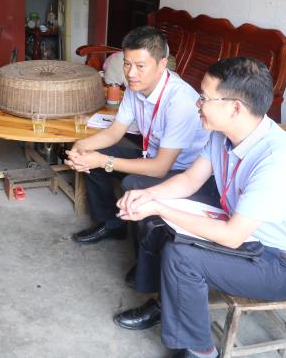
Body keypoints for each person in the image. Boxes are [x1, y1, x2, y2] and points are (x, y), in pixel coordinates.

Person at [115, 57, 286, 358]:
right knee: (152, 213)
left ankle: (201, 351)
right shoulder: (222, 134)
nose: (197, 104)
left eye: (204, 98)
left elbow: (231, 236)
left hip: (278, 263)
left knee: (181, 256)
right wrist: (147, 196)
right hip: (247, 236)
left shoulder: (276, 159)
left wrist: (160, 207)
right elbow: (190, 180)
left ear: (234, 108)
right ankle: (164, 304)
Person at [66, 26, 214, 247]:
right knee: (92, 153)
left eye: (140, 66)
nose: (131, 73)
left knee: (132, 181)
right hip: (150, 155)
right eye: (127, 64)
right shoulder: (135, 88)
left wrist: (102, 161)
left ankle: (145, 254)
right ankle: (111, 224)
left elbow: (160, 168)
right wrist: (81, 145)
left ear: (162, 64)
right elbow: (115, 132)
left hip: (183, 171)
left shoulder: (180, 100)